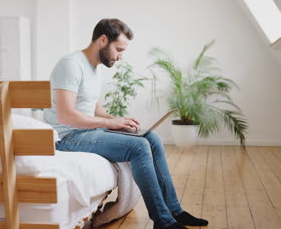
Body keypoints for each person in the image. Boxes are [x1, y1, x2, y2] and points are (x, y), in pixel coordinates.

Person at [43, 18, 208, 229]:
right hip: (68, 137)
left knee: (151, 137)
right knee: (138, 147)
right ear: (103, 40)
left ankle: (175, 211)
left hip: (86, 131)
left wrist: (118, 121)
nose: (121, 56)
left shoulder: (95, 67)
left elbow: (94, 108)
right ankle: (163, 222)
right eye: (119, 49)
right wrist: (108, 124)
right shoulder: (71, 64)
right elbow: (66, 116)